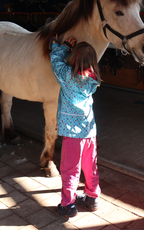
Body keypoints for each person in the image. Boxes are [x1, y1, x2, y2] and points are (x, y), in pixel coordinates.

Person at [50, 36, 102, 218]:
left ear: (73, 59)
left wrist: (61, 46)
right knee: (90, 166)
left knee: (70, 169)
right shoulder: (92, 79)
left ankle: (68, 205)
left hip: (73, 135)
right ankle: (92, 197)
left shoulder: (67, 77)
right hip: (89, 132)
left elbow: (55, 62)